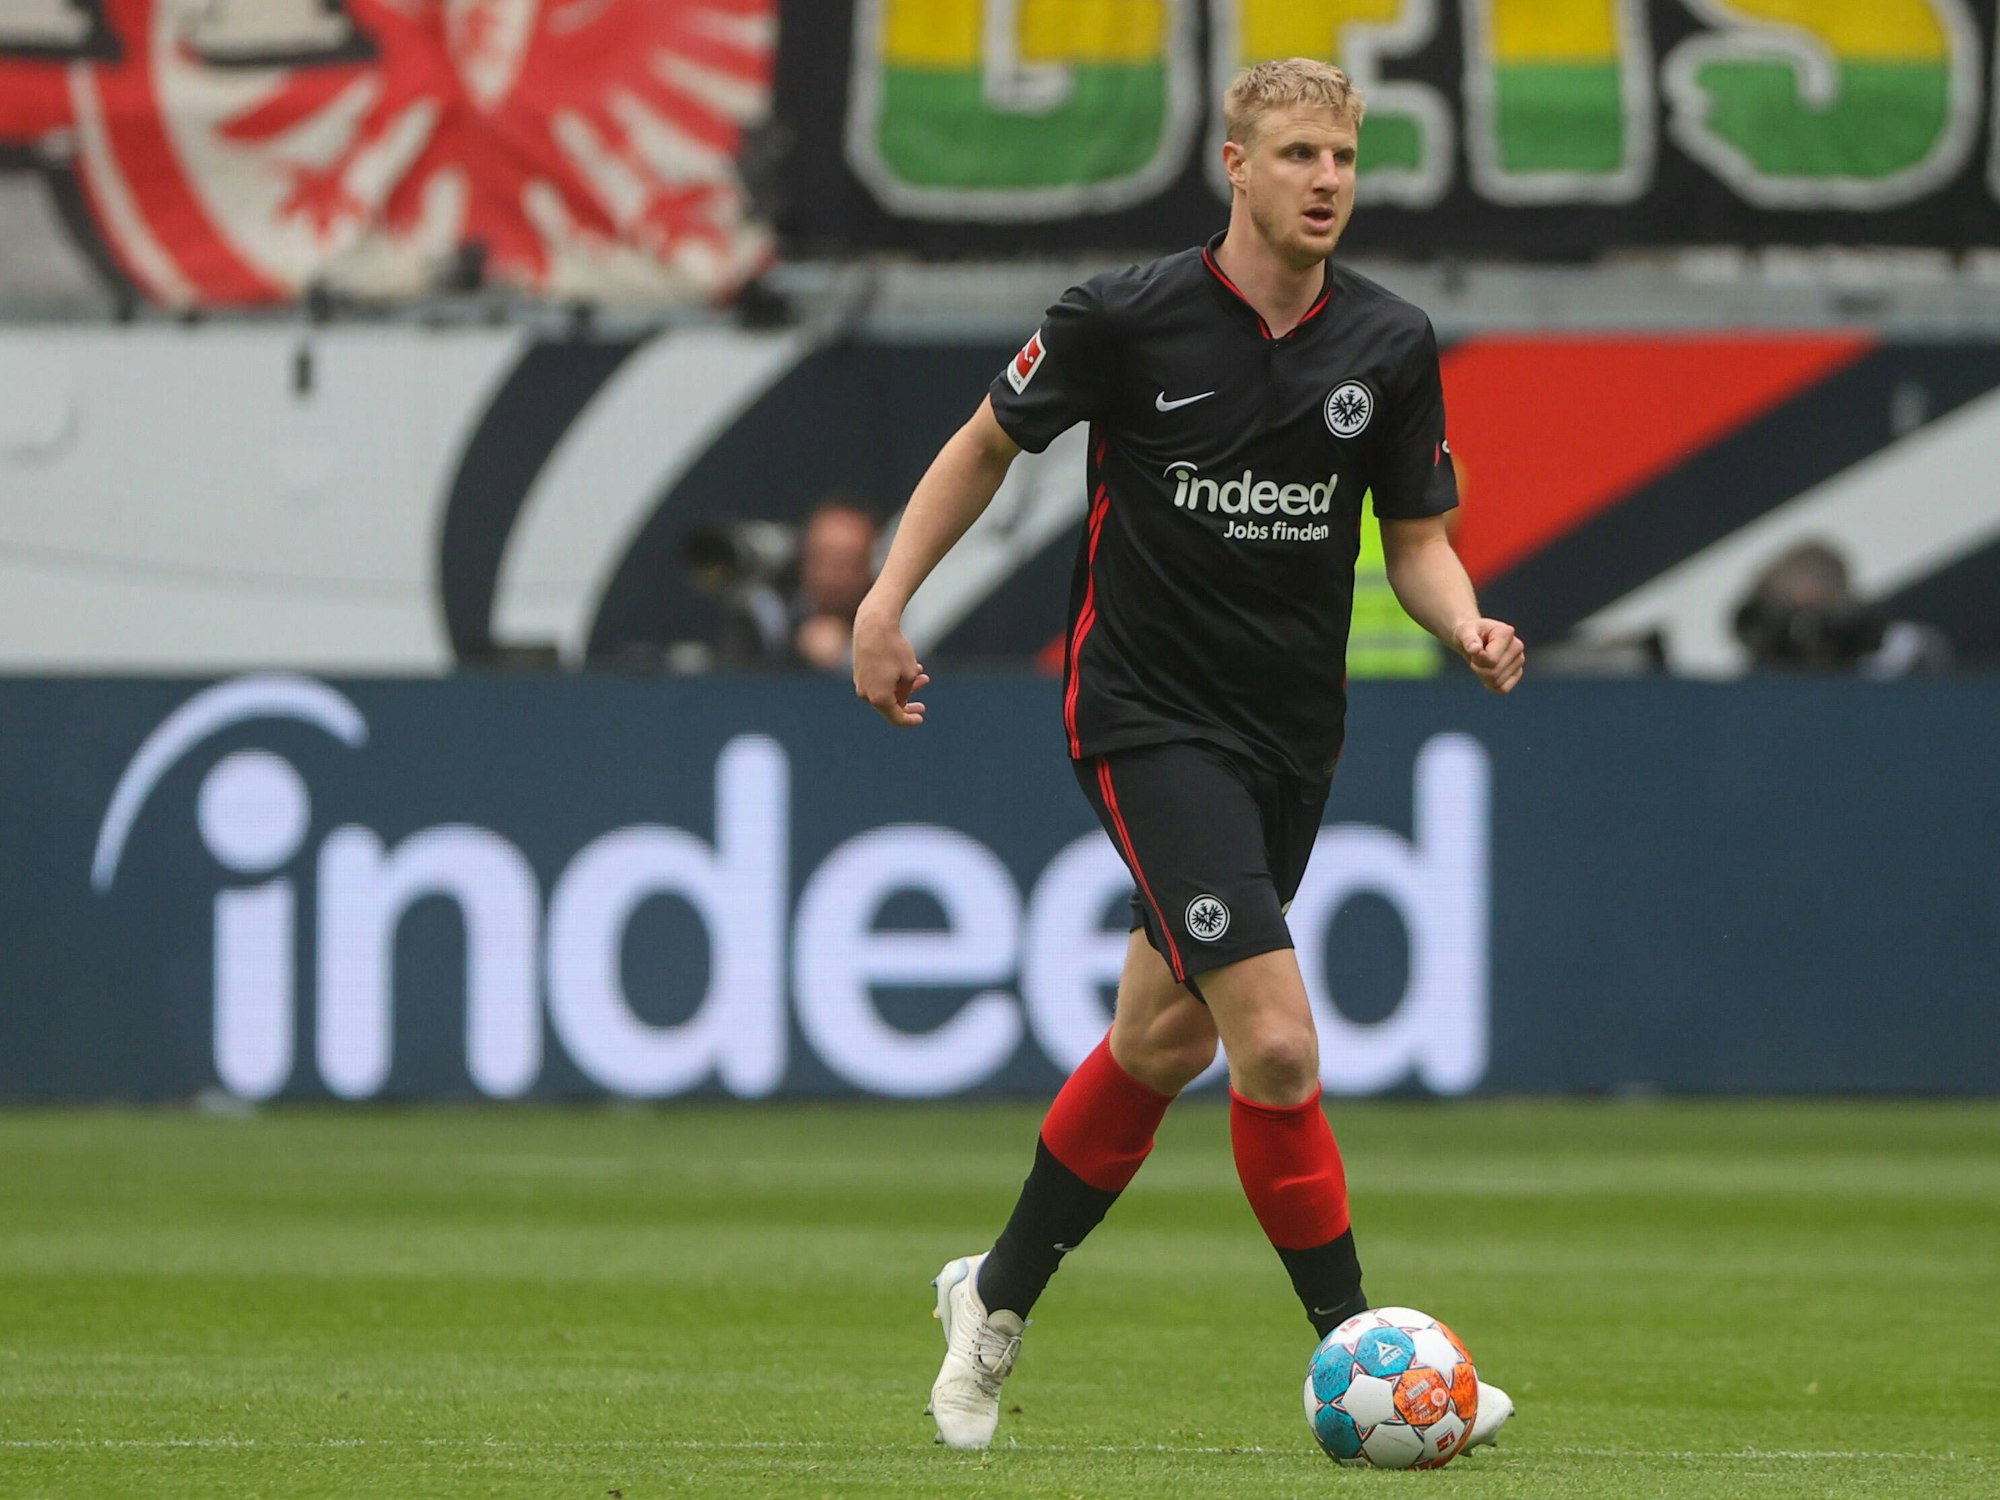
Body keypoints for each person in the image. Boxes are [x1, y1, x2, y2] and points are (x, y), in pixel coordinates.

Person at [851, 59, 1525, 1454]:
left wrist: (1465, 621)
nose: (1327, 179)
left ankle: (993, 1294)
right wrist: (883, 600)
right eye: (1297, 155)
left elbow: (1414, 543)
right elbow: (987, 445)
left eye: (1343, 154)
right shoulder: (1127, 318)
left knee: (1159, 1040)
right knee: (1273, 1044)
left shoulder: (1389, 344)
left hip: (1291, 737)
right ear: (1235, 164)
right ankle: (1369, 1353)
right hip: (1147, 716)